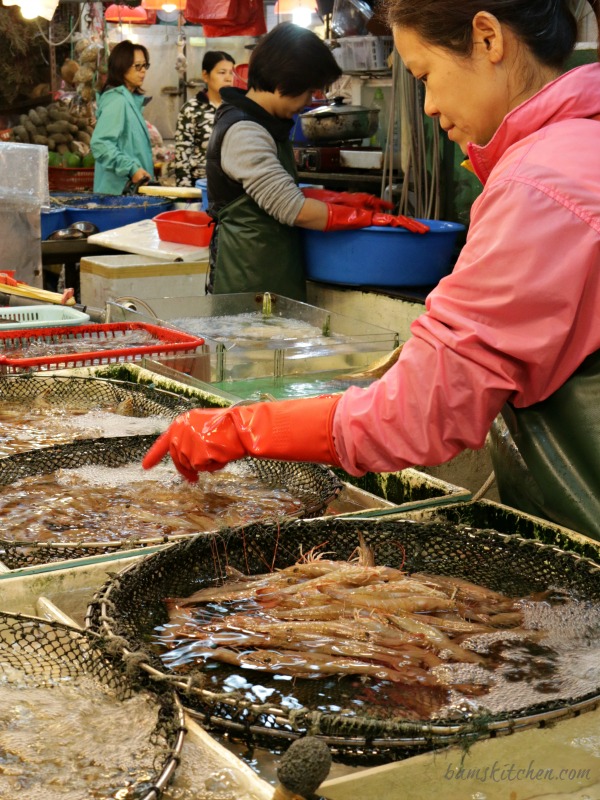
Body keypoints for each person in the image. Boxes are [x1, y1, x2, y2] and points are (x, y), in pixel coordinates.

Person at [143, 1, 600, 540]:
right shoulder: (579, 146)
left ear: (487, 39)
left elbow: (421, 413)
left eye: (425, 75)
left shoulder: (539, 185)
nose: (427, 105)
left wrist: (244, 427)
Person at [204, 21, 427, 300]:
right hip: (244, 280)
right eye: (309, 92)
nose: (308, 102)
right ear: (285, 83)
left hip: (268, 276)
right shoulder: (245, 131)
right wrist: (366, 218)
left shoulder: (267, 124)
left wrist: (344, 200)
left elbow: (274, 193)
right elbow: (292, 208)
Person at [91, 40, 154, 195]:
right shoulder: (117, 101)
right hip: (118, 195)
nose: (143, 71)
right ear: (121, 67)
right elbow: (101, 144)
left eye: (145, 65)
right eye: (137, 66)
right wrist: (131, 169)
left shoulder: (130, 100)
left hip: (130, 193)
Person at [174, 50, 236, 187]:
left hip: (233, 187)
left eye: (231, 73)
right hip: (201, 186)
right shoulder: (191, 109)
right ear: (205, 75)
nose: (228, 78)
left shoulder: (237, 109)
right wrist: (186, 194)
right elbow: (182, 156)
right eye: (222, 72)